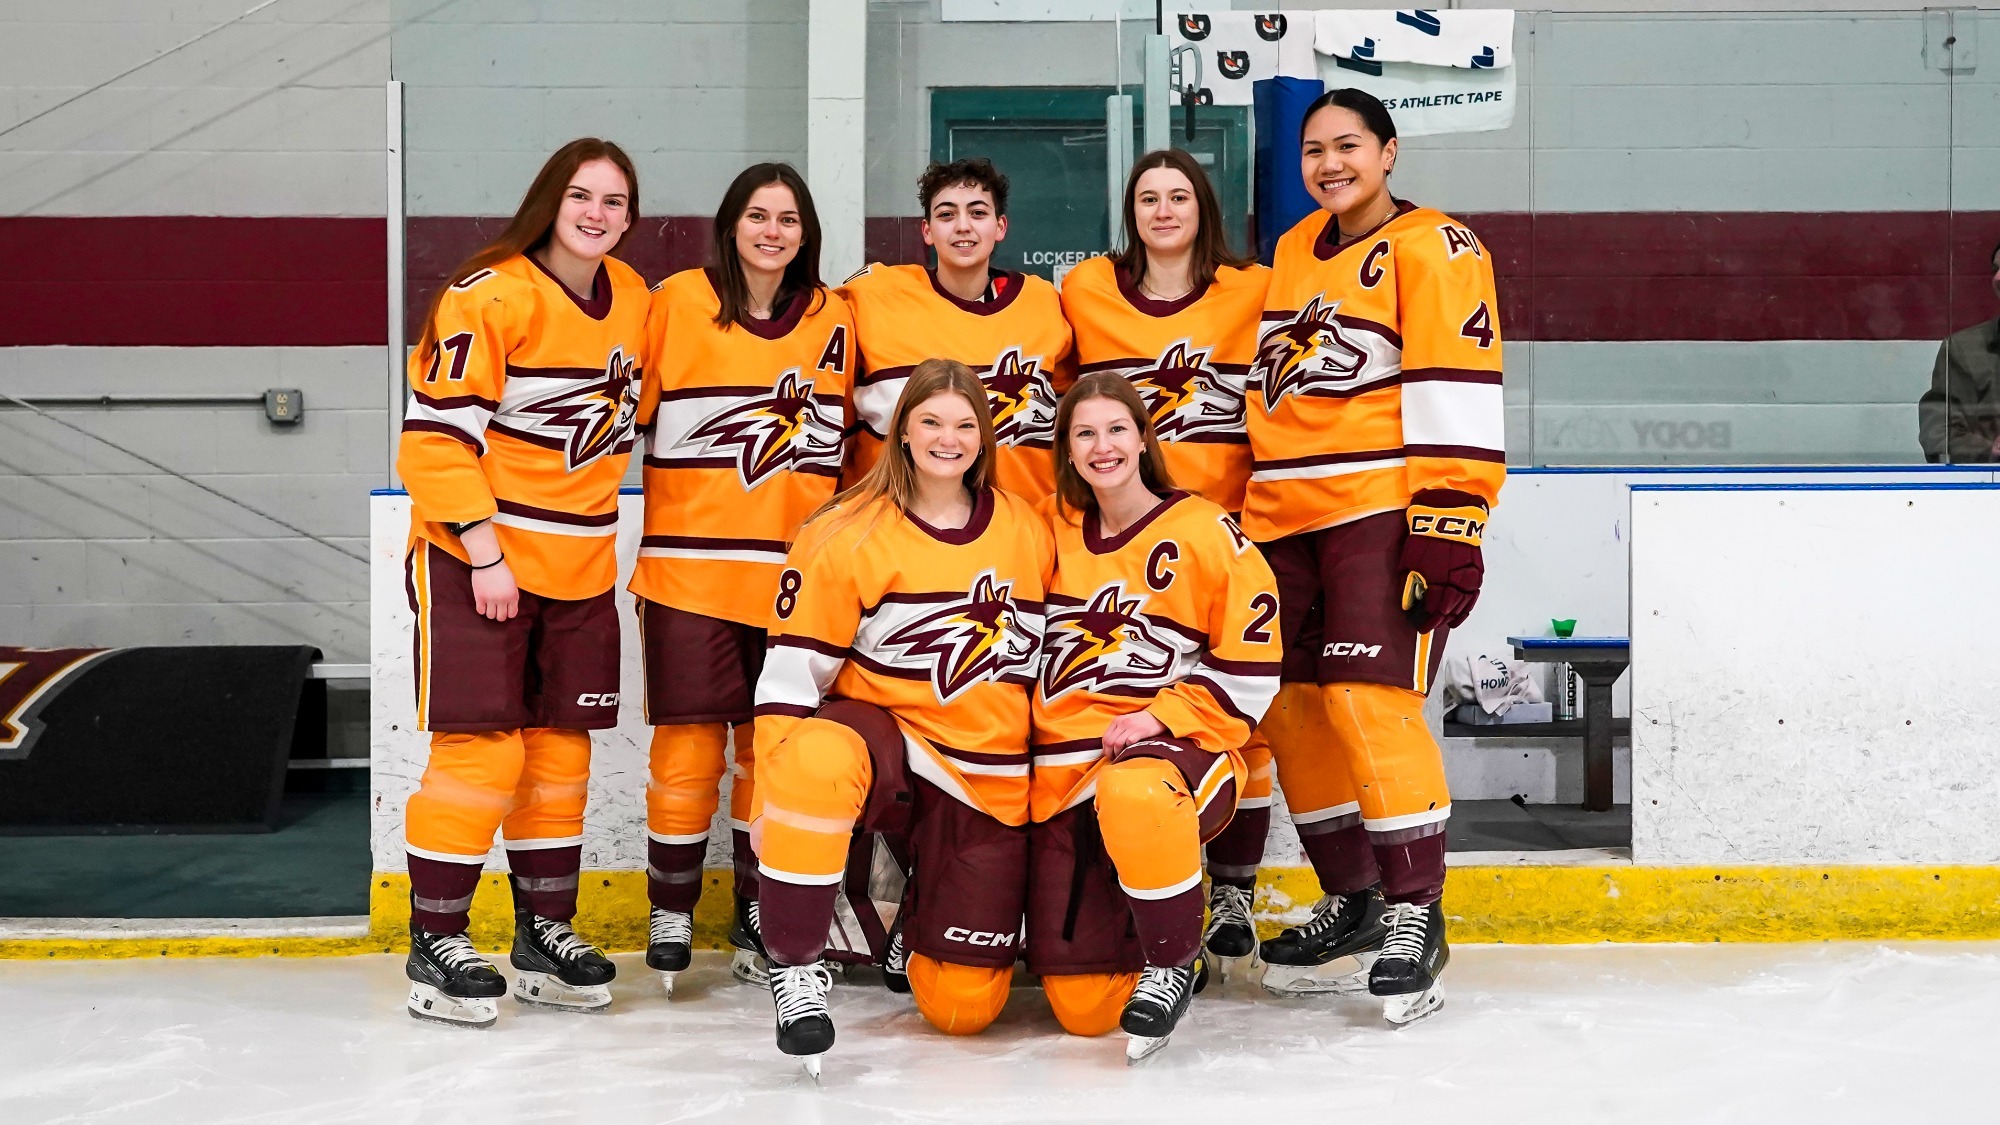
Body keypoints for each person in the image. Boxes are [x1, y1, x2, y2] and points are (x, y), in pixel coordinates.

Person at [1246, 89, 1505, 1025]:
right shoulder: (1290, 252)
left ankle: (1415, 912)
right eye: (1314, 150)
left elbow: (1457, 380)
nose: (1329, 164)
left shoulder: (1437, 245)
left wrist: (1451, 519)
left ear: (1388, 151)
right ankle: (1354, 896)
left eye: (1348, 146)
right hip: (1280, 517)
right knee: (1290, 703)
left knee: (1367, 699)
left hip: (1375, 509)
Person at [395, 138, 650, 1026]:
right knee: (483, 750)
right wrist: (484, 549)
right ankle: (436, 936)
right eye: (582, 196)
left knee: (559, 752)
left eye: (615, 202)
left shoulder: (635, 302)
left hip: (580, 566)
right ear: (550, 200)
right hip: (480, 562)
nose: (597, 214)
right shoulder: (491, 293)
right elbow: (433, 438)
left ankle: (544, 930)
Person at [748, 359, 1053, 1077]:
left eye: (963, 423)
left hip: (987, 777)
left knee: (961, 1008)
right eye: (930, 422)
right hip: (886, 750)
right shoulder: (844, 531)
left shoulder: (1028, 528)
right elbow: (792, 675)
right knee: (817, 754)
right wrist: (771, 793)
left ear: (985, 434)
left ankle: (913, 917)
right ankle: (794, 967)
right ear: (901, 432)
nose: (948, 438)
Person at [1058, 148, 1301, 969]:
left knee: (1245, 720)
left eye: (1178, 196)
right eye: (1147, 198)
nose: (1163, 210)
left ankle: (1231, 888)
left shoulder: (1255, 288)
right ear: (1129, 212)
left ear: (1204, 207)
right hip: (1123, 539)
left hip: (1229, 530)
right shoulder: (1087, 289)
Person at [628, 163, 854, 995]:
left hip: (797, 584)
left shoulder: (835, 316)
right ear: (730, 224)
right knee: (686, 750)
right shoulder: (677, 301)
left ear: (806, 233)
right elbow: (618, 409)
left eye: (788, 219)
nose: (772, 231)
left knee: (773, 753)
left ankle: (758, 909)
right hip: (688, 574)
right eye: (757, 216)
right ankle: (671, 908)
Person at [1028, 374, 1281, 1062]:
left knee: (1133, 788)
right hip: (1062, 773)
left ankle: (1172, 958)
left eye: (1116, 429)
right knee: (1084, 1010)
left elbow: (1254, 664)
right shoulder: (1045, 527)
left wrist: (1163, 715)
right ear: (1066, 449)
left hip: (1183, 755)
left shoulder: (1202, 528)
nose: (1102, 445)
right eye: (1085, 433)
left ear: (1143, 437)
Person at [838, 158, 1075, 501]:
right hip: (896, 529)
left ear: (1000, 226)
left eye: (978, 213)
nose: (963, 226)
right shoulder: (874, 298)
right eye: (947, 215)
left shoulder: (1043, 304)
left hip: (1022, 529)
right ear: (927, 231)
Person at [1919, 239, 2000, 463]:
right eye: (1996, 269)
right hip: (1988, 488)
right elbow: (1936, 430)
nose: (1998, 278)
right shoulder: (1965, 349)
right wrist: (1989, 450)